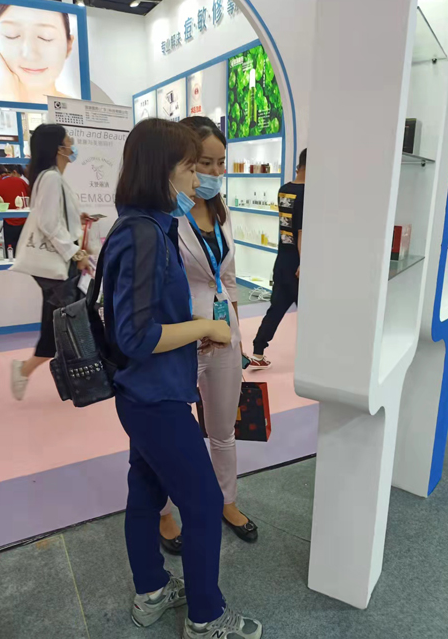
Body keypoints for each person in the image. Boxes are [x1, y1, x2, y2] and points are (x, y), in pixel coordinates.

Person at [103, 118, 262, 638]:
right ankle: (206, 617)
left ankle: (151, 591)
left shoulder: (146, 225)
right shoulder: (144, 235)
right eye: (191, 167)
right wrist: (206, 326)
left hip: (148, 391)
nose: (199, 180)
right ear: (162, 170)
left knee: (146, 491)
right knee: (203, 501)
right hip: (155, 397)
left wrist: (200, 328)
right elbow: (136, 335)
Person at [159, 116, 258, 554]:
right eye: (205, 163)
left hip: (223, 336)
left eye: (221, 163)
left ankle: (227, 501)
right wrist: (196, 325)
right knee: (169, 434)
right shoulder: (165, 214)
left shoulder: (221, 210)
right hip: (180, 337)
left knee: (223, 429)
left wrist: (238, 335)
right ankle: (164, 511)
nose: (216, 172)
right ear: (183, 161)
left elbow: (229, 278)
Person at [11, 124, 90, 401]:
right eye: (69, 141)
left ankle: (26, 370)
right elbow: (47, 223)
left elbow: (53, 218)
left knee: (58, 324)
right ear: (59, 148)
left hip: (57, 265)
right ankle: (77, 380)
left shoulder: (51, 177)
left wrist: (77, 219)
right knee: (70, 323)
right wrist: (75, 253)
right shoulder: (52, 178)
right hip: (58, 264)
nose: (73, 145)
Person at [249, 148, 307, 369]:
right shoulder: (307, 193)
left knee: (276, 308)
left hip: (282, 259)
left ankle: (258, 352)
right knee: (310, 314)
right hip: (298, 263)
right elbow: (301, 232)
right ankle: (312, 359)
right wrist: (303, 262)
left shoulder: (284, 190)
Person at [0, 5, 75, 104]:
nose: (30, 55)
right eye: (11, 35)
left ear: (68, 46)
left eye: (46, 37)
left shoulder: (79, 110)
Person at [0, 164, 29, 255]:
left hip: (9, 223)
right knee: (25, 251)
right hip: (25, 221)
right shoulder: (20, 181)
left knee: (11, 252)